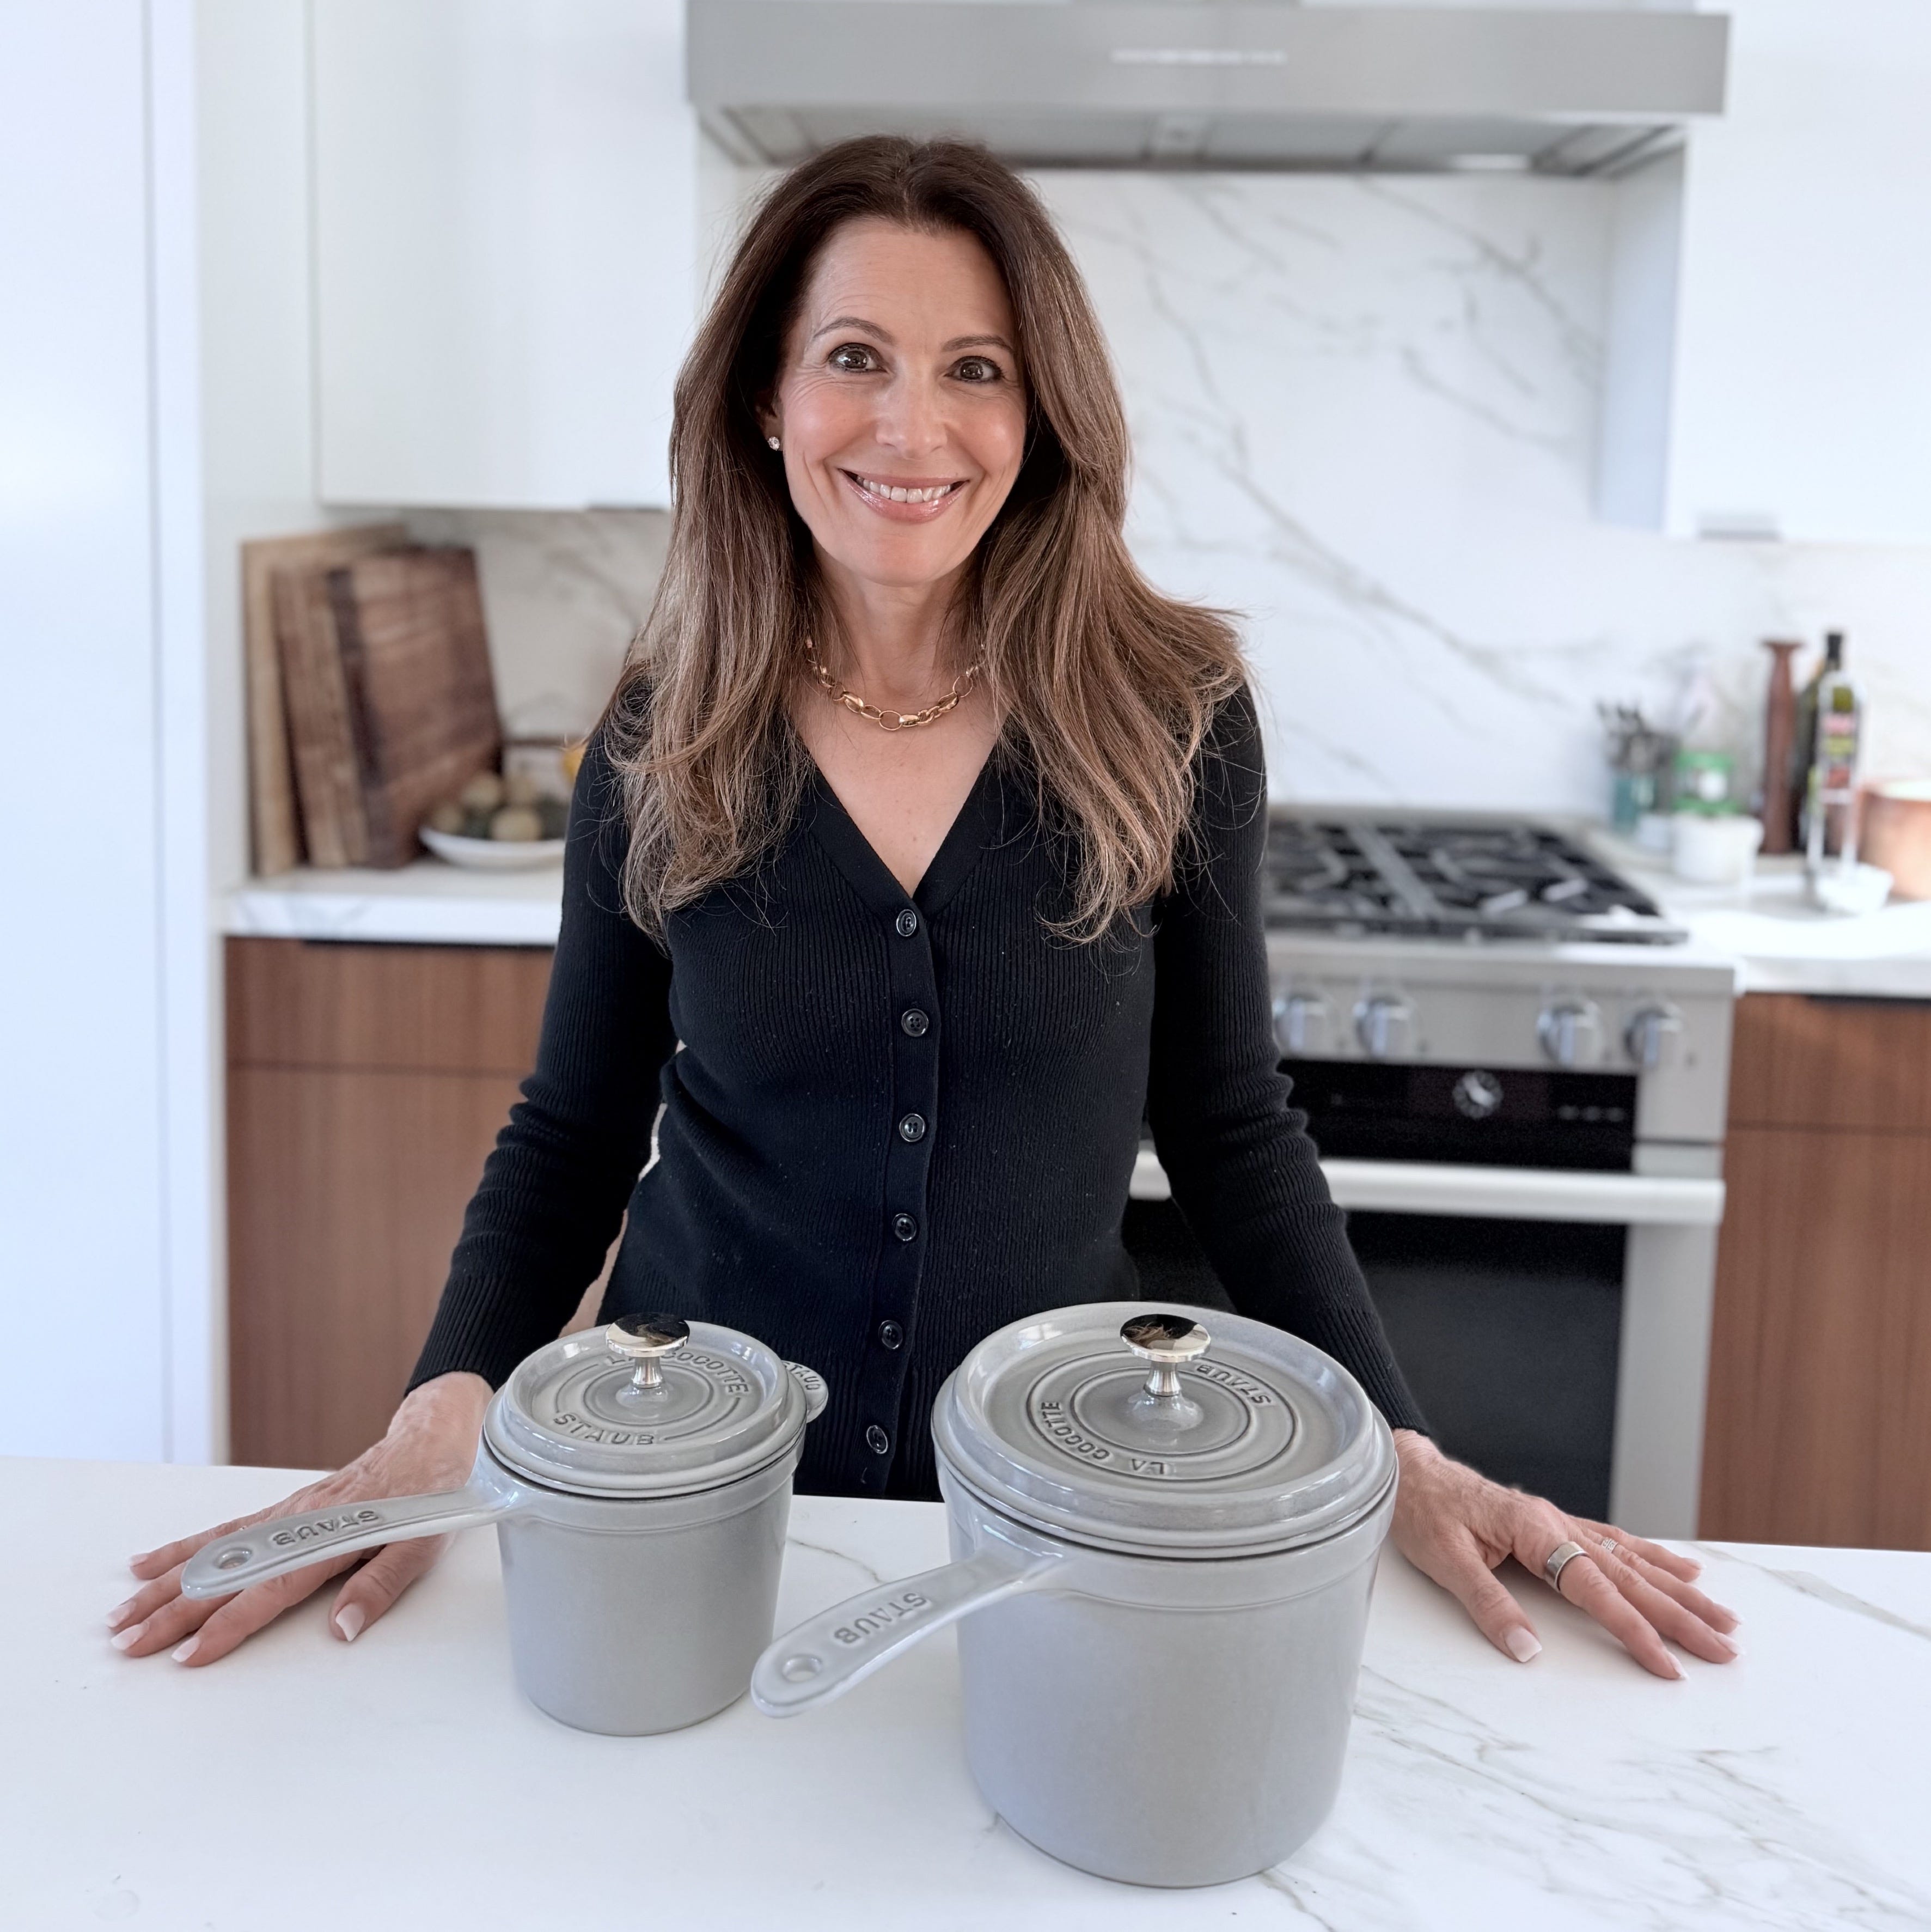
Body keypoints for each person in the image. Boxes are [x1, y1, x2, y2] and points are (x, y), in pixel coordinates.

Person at [109, 137, 1736, 1680]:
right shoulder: (659, 737)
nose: (912, 426)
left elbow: (1232, 1126)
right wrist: (435, 1410)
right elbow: (572, 1133)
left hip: (1038, 1522)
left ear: (1040, 414)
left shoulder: (1171, 714)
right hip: (687, 1510)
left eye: (975, 368)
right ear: (765, 397)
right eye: (854, 357)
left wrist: (1403, 1446)